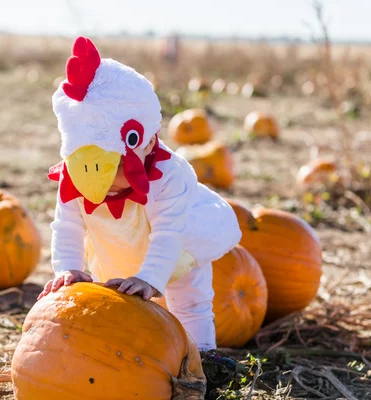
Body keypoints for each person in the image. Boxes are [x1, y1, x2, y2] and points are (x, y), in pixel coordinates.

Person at [38, 36, 241, 352]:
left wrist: (150, 278)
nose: (103, 186)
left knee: (188, 300)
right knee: (124, 299)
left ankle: (203, 356)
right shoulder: (77, 174)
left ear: (144, 143)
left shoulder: (170, 175)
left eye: (113, 169)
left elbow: (168, 232)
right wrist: (69, 266)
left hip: (177, 243)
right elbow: (66, 226)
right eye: (90, 170)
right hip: (119, 240)